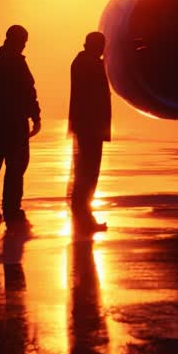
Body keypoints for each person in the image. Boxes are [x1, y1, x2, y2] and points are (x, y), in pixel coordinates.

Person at [0, 25, 41, 225]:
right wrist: (35, 116)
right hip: (13, 124)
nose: (24, 46)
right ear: (17, 40)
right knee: (15, 166)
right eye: (23, 42)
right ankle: (11, 208)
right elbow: (28, 92)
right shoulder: (17, 63)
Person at [68, 31, 112, 229]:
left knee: (85, 171)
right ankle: (83, 216)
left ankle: (82, 214)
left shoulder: (82, 62)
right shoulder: (90, 64)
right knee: (88, 171)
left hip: (87, 126)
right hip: (91, 127)